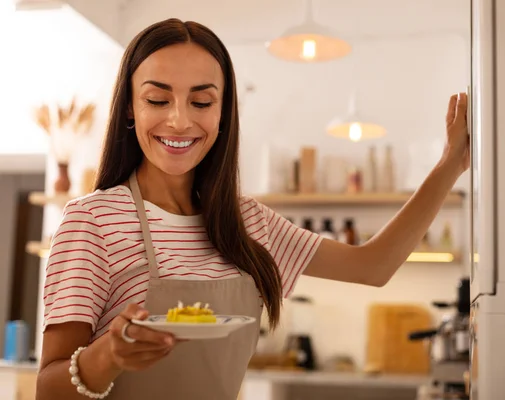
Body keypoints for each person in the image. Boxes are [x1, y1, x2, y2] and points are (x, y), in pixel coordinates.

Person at [36, 18, 469, 400]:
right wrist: (107, 355)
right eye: (158, 99)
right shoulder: (93, 221)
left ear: (224, 112)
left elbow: (373, 266)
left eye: (202, 102)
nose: (180, 121)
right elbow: (48, 389)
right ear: (131, 107)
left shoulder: (249, 222)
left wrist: (450, 165)